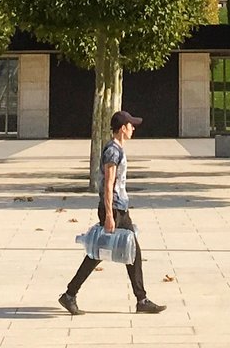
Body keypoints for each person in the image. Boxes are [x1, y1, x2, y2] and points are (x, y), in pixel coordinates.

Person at [59, 109, 165, 315]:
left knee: (125, 252)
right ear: (122, 128)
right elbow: (108, 185)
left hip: (120, 207)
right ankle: (70, 294)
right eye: (131, 125)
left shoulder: (117, 149)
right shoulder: (113, 151)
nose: (133, 128)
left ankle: (141, 299)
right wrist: (109, 215)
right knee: (99, 252)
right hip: (114, 209)